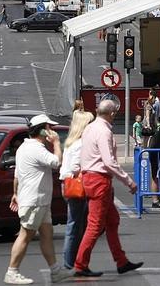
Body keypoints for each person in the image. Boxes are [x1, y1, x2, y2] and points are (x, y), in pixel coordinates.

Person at [74, 99, 143, 278]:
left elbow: (84, 153)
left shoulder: (89, 128)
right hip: (99, 180)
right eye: (115, 113)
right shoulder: (104, 131)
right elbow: (109, 161)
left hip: (91, 177)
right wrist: (129, 181)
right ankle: (80, 264)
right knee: (95, 225)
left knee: (112, 220)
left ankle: (121, 261)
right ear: (111, 114)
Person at [5, 114, 73, 285]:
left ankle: (55, 271)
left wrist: (15, 193)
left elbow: (17, 175)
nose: (52, 131)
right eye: (50, 128)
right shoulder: (36, 148)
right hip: (34, 200)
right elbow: (57, 162)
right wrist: (57, 143)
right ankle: (12, 271)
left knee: (47, 235)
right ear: (42, 130)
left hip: (40, 200)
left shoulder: (25, 147)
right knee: (25, 236)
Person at [59, 110, 94, 270]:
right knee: (75, 225)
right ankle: (71, 262)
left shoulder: (70, 142)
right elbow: (75, 167)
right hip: (76, 184)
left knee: (74, 224)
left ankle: (72, 261)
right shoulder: (80, 144)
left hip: (67, 183)